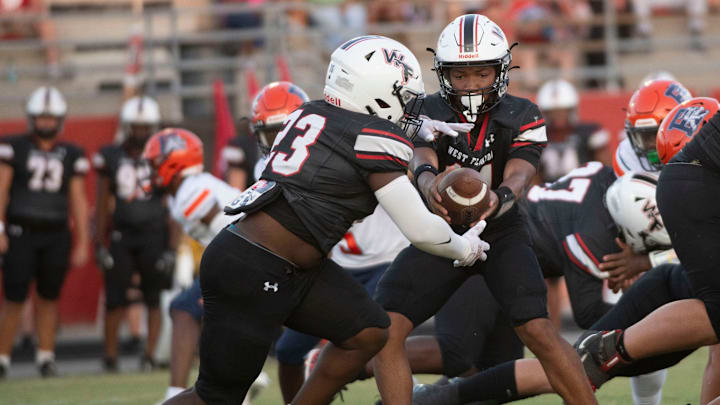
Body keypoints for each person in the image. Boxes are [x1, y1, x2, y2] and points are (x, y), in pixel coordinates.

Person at [163, 35, 490, 405]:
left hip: (280, 262)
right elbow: (418, 228)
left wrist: (414, 128)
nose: (409, 107)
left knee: (369, 332)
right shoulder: (374, 138)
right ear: (376, 91)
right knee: (216, 398)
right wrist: (465, 247)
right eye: (403, 96)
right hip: (258, 266)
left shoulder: (309, 111)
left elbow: (346, 133)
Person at [368, 14, 596, 405]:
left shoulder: (522, 113)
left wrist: (501, 197)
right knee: (383, 329)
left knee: (538, 330)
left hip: (501, 230)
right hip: (442, 232)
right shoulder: (425, 110)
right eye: (460, 75)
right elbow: (420, 155)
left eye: (481, 73)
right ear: (444, 75)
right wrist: (427, 181)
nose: (471, 84)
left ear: (501, 70)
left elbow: (522, 171)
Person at [412, 168, 674, 405]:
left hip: (507, 265)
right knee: (456, 352)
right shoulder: (595, 238)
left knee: (492, 376)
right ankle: (375, 355)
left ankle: (421, 399)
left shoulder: (605, 179)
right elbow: (588, 312)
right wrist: (648, 324)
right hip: (483, 255)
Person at [159, 81, 309, 404]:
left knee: (187, 309)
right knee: (207, 317)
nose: (276, 141)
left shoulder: (189, 191)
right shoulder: (261, 166)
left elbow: (225, 224)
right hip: (258, 255)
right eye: (269, 133)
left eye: (156, 162)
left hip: (258, 257)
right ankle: (246, 380)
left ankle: (188, 390)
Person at [577, 97, 720, 390]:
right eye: (641, 136)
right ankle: (610, 350)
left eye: (651, 133)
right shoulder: (656, 177)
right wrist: (646, 259)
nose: (647, 149)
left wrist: (646, 261)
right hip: (669, 283)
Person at [0, 86, 90, 378]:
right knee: (14, 296)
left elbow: (78, 199)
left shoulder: (71, 153)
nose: (46, 123)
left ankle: (45, 356)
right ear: (31, 118)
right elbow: (1, 190)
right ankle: (2, 357)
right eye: (41, 118)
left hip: (55, 233)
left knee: (49, 296)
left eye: (51, 118)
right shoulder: (14, 147)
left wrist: (83, 241)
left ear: (60, 120)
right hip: (20, 230)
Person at [93, 95, 174, 372]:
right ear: (127, 126)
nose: (140, 132)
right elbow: (102, 199)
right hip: (121, 235)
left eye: (145, 126)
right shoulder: (111, 155)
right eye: (136, 126)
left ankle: (150, 356)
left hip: (153, 233)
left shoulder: (163, 156)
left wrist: (172, 248)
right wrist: (98, 241)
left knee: (153, 297)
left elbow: (172, 203)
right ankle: (110, 356)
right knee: (115, 298)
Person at [536, 79, 610, 182]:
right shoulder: (537, 137)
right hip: (548, 193)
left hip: (585, 191)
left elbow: (605, 170)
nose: (558, 116)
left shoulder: (590, 133)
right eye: (553, 112)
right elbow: (533, 177)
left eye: (563, 111)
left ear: (572, 110)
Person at [613, 79, 691, 177]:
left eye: (656, 135)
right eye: (644, 136)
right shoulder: (628, 155)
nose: (651, 144)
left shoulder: (705, 147)